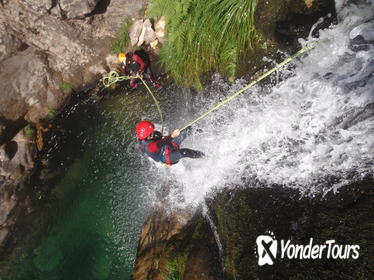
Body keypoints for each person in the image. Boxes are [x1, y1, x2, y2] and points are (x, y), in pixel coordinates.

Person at [136, 121, 205, 165]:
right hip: (165, 157)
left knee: (188, 130)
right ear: (147, 137)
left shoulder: (145, 137)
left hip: (166, 146)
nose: (153, 133)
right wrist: (172, 136)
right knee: (184, 152)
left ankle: (206, 130)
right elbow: (160, 143)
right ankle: (205, 157)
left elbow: (160, 141)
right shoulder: (149, 147)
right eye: (151, 133)